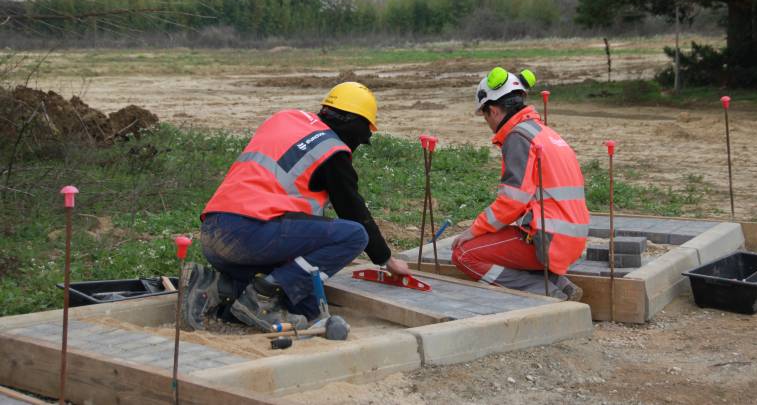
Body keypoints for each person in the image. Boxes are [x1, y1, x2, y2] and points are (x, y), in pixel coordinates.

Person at [182, 82, 410, 331]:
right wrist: (386, 259)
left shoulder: (287, 119)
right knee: (354, 235)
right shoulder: (331, 150)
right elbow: (353, 211)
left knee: (304, 304)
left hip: (215, 235)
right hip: (250, 235)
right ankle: (262, 298)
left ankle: (215, 286)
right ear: (355, 125)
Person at [451, 67, 588, 300]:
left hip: (548, 238)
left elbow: (512, 201)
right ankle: (561, 284)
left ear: (493, 111)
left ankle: (548, 293)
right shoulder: (544, 133)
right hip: (570, 238)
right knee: (504, 240)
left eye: (485, 116)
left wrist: (473, 230)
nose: (487, 123)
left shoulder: (518, 137)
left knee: (464, 254)